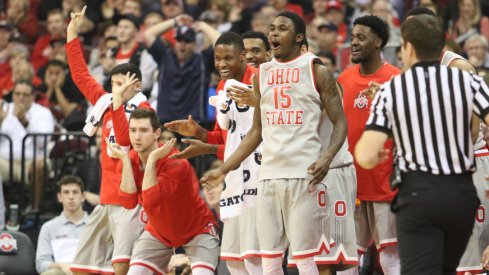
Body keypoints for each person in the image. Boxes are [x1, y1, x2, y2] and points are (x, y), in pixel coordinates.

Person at [202, 11, 348, 275]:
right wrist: (225, 169)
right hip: (267, 177)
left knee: (304, 260)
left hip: (303, 174)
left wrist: (326, 158)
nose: (274, 33)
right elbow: (257, 131)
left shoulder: (315, 69)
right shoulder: (263, 74)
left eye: (282, 28)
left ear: (299, 37)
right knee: (268, 261)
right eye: (272, 28)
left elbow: (340, 122)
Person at [355, 14, 489, 275]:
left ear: (408, 48)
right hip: (461, 195)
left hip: (418, 196)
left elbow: (367, 154)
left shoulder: (391, 90)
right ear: (442, 45)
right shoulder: (469, 81)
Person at [66, 7, 151, 275]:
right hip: (106, 198)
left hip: (131, 200)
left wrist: (115, 104)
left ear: (136, 86)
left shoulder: (145, 112)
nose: (118, 89)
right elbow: (80, 75)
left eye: (123, 83)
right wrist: (72, 33)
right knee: (82, 266)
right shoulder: (105, 103)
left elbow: (127, 144)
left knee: (122, 268)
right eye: (114, 83)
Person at [108, 108, 219, 275]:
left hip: (197, 230)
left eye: (144, 130)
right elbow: (128, 202)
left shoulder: (177, 162)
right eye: (133, 130)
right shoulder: (129, 159)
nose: (137, 136)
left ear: (157, 133)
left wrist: (152, 160)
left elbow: (151, 201)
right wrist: (124, 160)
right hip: (159, 232)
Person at [337, 15, 401, 275]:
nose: (353, 43)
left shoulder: (396, 79)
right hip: (352, 183)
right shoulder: (343, 79)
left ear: (378, 42)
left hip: (385, 182)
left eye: (361, 38)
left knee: (390, 258)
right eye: (352, 37)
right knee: (348, 260)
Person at [143, 13, 219, 124]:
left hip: (194, 123)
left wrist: (202, 26)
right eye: (179, 40)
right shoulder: (164, 56)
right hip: (165, 122)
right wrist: (174, 21)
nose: (182, 44)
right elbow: (148, 34)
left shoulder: (203, 60)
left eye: (187, 41)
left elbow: (222, 42)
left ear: (194, 44)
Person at [0, 81, 56, 210]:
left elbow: (43, 142)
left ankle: (34, 210)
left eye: (25, 94)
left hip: (31, 162)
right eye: (17, 93)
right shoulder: (4, 109)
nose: (21, 97)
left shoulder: (43, 112)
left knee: (40, 166)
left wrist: (25, 122)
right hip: (4, 162)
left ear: (33, 96)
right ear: (12, 95)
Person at [36, 175, 89, 275]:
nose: (71, 197)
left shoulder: (95, 225)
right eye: (66, 192)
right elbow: (41, 264)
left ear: (83, 197)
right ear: (59, 197)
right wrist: (61, 265)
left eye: (75, 192)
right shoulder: (48, 228)